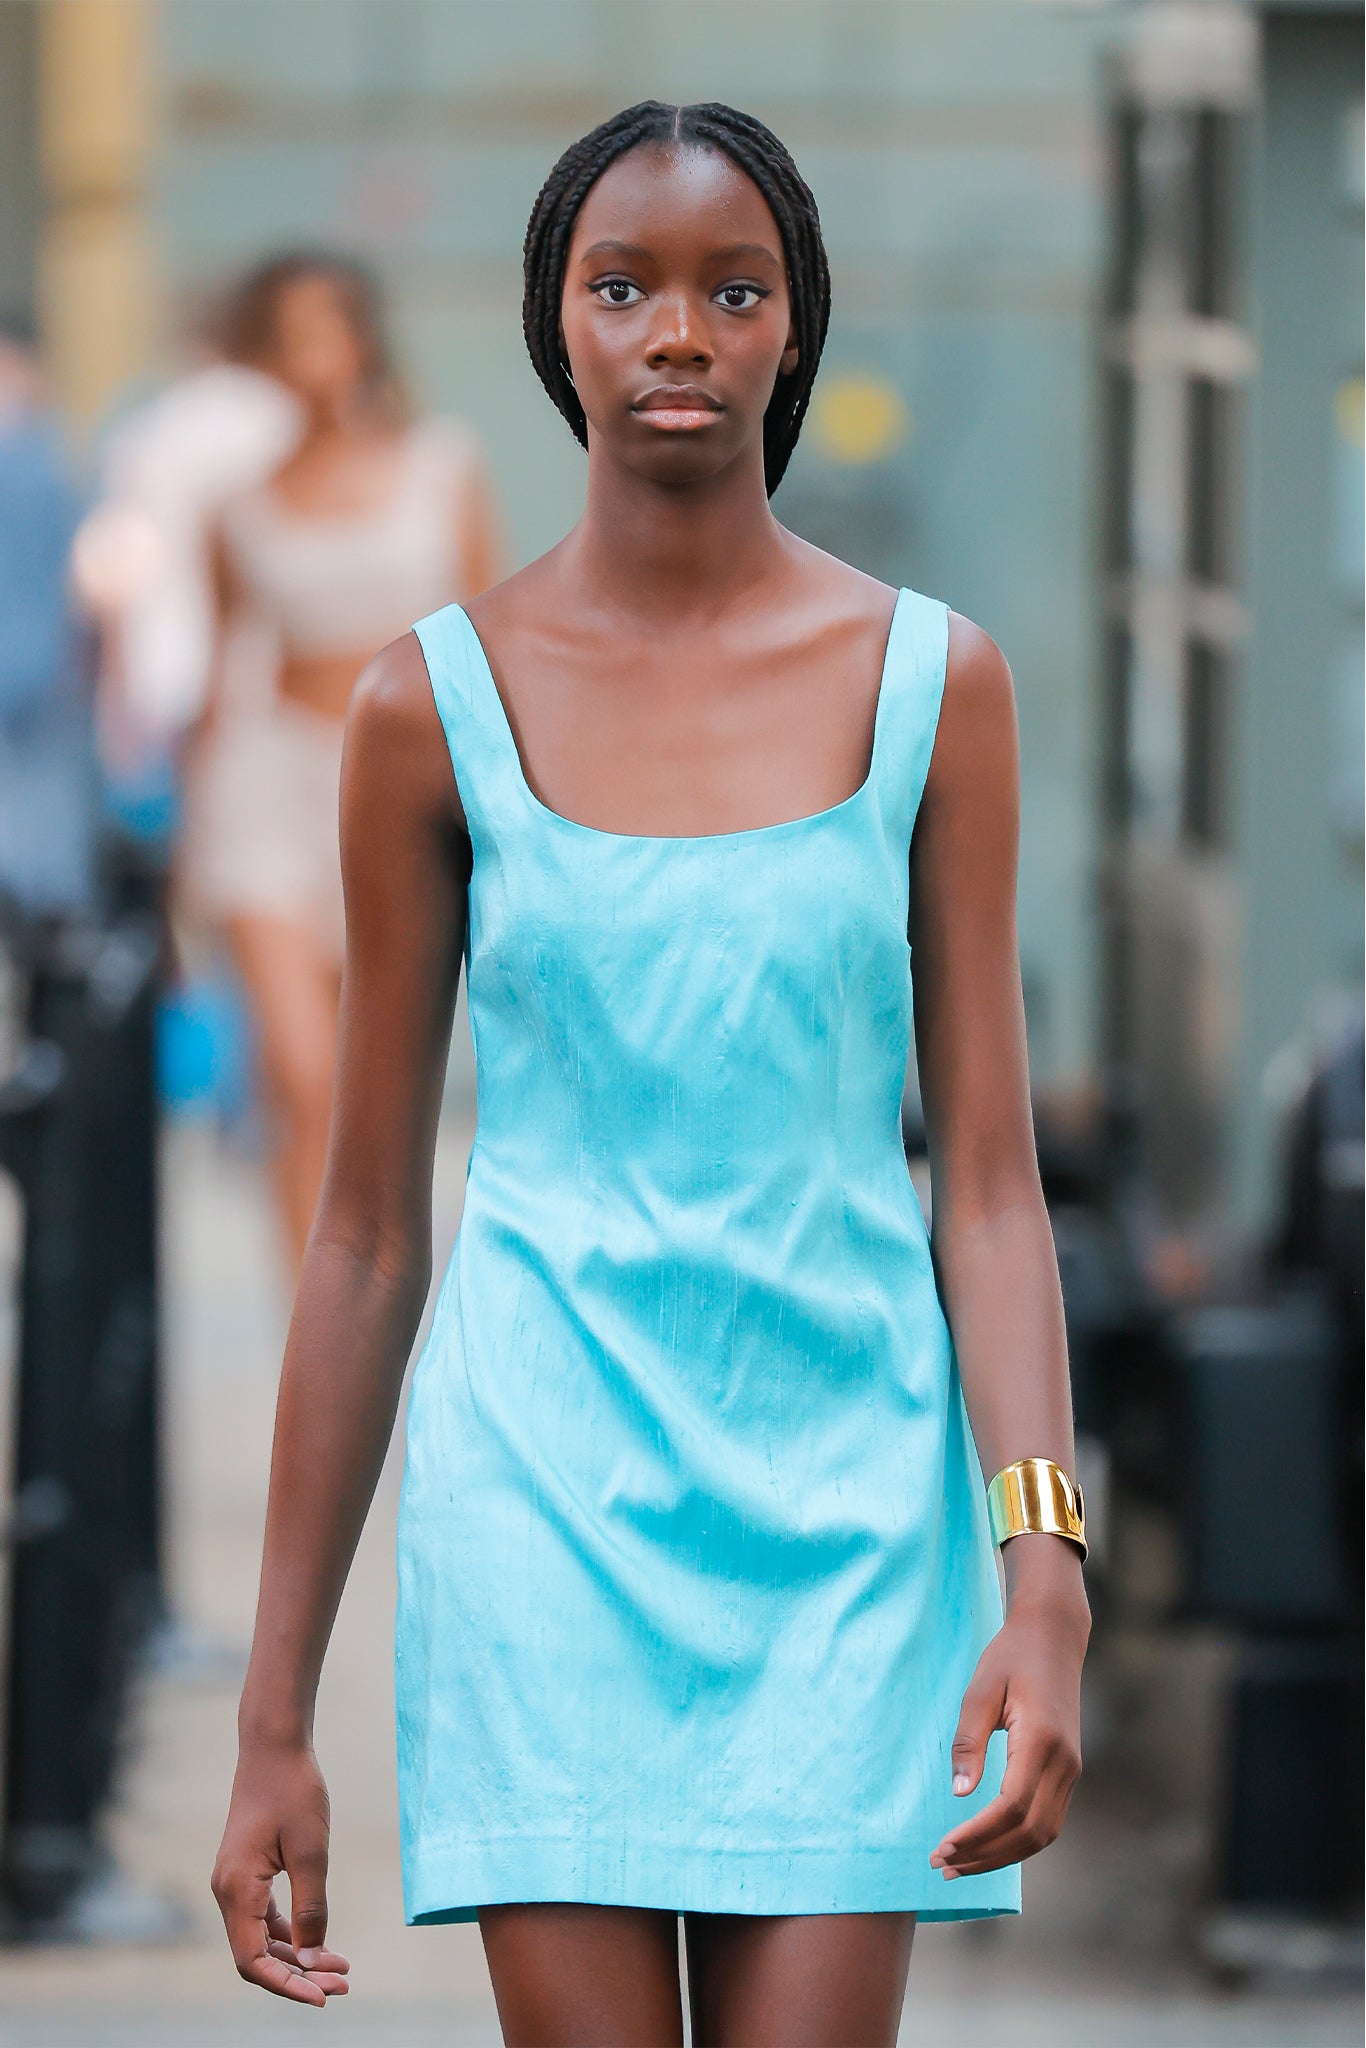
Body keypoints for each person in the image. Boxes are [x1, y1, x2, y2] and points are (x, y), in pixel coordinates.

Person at [212, 103, 1091, 2047]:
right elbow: (363, 1235)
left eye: (730, 289)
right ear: (557, 330)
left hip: (851, 1534)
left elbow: (986, 1185)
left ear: (793, 331)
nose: (675, 331)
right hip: (540, 1525)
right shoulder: (421, 709)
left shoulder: (934, 682)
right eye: (623, 287)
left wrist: (1044, 1561)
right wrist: (273, 1715)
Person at [178, 251, 502, 1266]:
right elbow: (222, 663)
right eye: (286, 334)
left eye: (326, 325)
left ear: (363, 334)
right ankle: (301, 1338)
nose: (311, 354)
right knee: (299, 1072)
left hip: (396, 789)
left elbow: (489, 634)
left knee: (374, 1093)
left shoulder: (440, 467)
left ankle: (368, 1311)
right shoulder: (236, 501)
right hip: (266, 785)